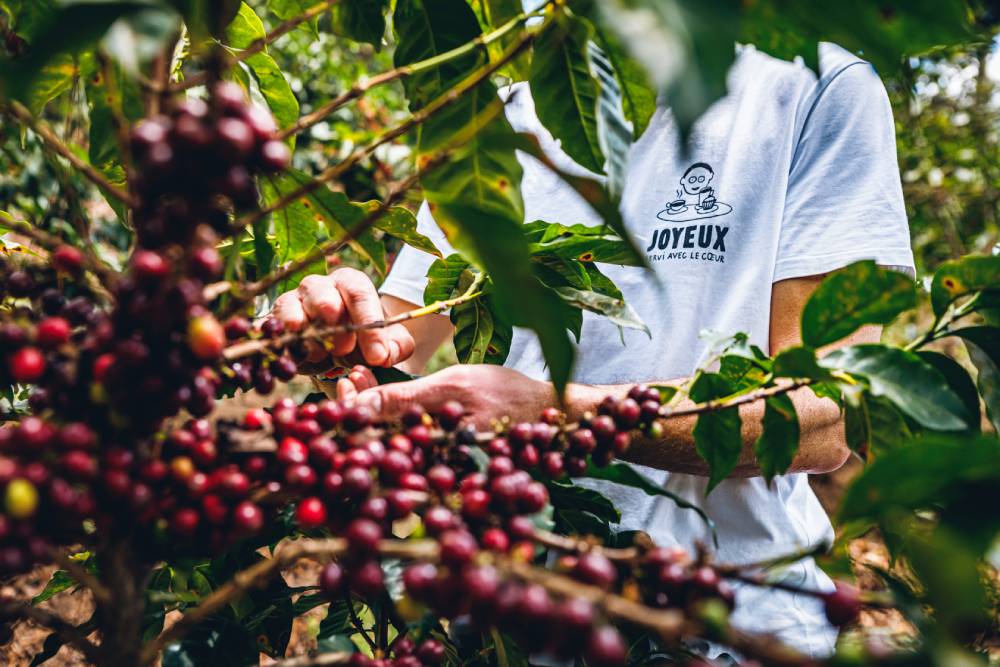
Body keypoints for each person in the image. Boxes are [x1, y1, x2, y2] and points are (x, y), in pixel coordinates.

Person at [269, 42, 914, 656]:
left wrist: (557, 413)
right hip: (505, 620)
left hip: (724, 631)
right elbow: (392, 349)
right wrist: (338, 331)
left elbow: (824, 414)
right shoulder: (500, 122)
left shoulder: (813, 88)